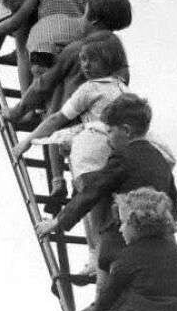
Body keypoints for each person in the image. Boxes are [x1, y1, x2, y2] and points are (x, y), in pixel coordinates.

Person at [36, 95, 177, 288]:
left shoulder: (122, 158)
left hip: (123, 238)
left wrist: (58, 221)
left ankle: (99, 306)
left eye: (110, 132)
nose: (108, 140)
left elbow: (93, 191)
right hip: (157, 241)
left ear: (126, 131)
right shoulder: (160, 160)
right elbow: (174, 205)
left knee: (106, 290)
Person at [12, 33, 129, 262]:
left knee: (91, 203)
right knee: (106, 208)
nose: (84, 65)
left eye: (90, 60)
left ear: (107, 61)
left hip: (94, 154)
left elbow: (57, 117)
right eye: (82, 59)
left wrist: (28, 141)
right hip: (116, 155)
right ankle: (100, 255)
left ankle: (96, 257)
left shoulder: (90, 88)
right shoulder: (122, 89)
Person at [3, 0, 133, 124]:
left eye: (85, 14)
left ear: (94, 21)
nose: (81, 19)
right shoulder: (119, 59)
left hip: (65, 126)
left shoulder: (77, 49)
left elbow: (42, 86)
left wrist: (16, 112)